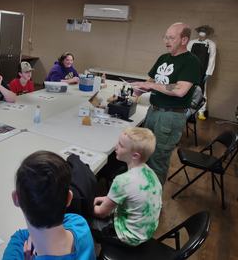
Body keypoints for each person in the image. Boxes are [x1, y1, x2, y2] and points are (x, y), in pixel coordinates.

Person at [132, 22, 201, 185]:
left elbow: (179, 89)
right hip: (153, 110)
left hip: (170, 116)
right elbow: (152, 80)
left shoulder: (191, 61)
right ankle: (141, 191)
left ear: (184, 40)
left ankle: (153, 203)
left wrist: (152, 86)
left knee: (158, 161)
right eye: (165, 37)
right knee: (144, 154)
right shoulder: (163, 58)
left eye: (171, 37)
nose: (166, 41)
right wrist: (140, 87)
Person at [3, 151, 95, 260]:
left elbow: (22, 236)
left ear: (16, 199)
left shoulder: (16, 249)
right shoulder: (79, 223)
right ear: (69, 198)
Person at [92, 127, 162, 246]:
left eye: (121, 145)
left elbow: (101, 213)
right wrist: (105, 199)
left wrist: (86, 205)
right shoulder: (149, 172)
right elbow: (130, 196)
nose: (116, 147)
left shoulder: (122, 180)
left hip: (129, 238)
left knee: (84, 220)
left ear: (135, 155)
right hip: (145, 231)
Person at [187, 25, 216, 120]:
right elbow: (186, 55)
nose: (202, 35)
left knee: (202, 91)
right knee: (187, 89)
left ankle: (201, 111)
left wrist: (208, 73)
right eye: (200, 32)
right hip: (190, 70)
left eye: (204, 32)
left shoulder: (211, 44)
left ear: (207, 34)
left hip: (203, 71)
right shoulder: (191, 42)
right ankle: (186, 109)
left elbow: (212, 58)